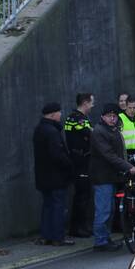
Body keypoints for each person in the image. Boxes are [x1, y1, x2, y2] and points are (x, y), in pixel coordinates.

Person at [90, 103, 135, 251]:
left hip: (110, 176)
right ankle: (100, 241)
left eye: (114, 116)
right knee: (103, 210)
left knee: (109, 209)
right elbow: (108, 154)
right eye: (109, 116)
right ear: (102, 117)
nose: (112, 119)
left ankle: (105, 238)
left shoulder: (113, 130)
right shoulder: (99, 132)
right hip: (102, 177)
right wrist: (127, 166)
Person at [33, 102, 74, 246]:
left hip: (43, 175)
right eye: (59, 112)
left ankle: (46, 235)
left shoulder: (39, 129)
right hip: (56, 176)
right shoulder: (52, 132)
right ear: (52, 114)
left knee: (48, 206)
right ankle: (58, 237)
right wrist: (69, 164)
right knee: (58, 207)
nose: (61, 115)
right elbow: (57, 154)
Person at [63, 92, 95, 238]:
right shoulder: (78, 119)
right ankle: (78, 228)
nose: (92, 105)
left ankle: (80, 226)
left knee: (83, 195)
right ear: (85, 103)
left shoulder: (74, 117)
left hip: (80, 159)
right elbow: (91, 134)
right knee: (82, 195)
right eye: (91, 102)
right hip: (80, 160)